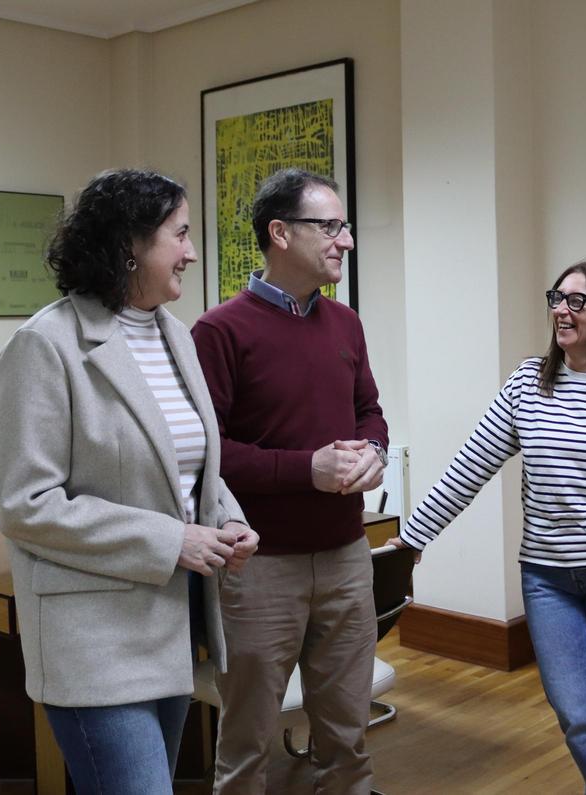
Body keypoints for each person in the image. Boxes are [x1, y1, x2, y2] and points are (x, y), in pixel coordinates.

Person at [0, 169, 257, 795]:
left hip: (171, 629)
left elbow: (192, 471)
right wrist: (173, 542)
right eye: (180, 235)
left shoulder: (176, 337)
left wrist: (229, 519)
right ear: (130, 245)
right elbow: (27, 505)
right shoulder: (44, 346)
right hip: (94, 642)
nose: (191, 251)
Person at [392, 260, 586, 793]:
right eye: (557, 297)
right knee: (581, 713)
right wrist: (415, 537)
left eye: (577, 301)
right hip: (548, 578)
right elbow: (471, 465)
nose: (561, 309)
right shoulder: (527, 385)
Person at [192, 167, 387, 794]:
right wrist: (308, 469)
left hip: (345, 555)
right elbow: (207, 453)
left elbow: (369, 412)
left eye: (344, 227)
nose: (345, 240)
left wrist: (375, 453)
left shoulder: (345, 323)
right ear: (280, 233)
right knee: (247, 743)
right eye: (329, 226)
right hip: (260, 566)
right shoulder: (220, 330)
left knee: (348, 737)